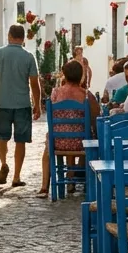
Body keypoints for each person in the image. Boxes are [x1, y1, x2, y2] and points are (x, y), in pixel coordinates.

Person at [0, 23, 41, 188]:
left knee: (1, 137)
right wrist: (37, 105)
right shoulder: (29, 57)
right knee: (20, 140)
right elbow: (34, 83)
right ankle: (16, 176)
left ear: (9, 36)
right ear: (23, 39)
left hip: (2, 103)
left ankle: (3, 163)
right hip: (23, 104)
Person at [39, 59, 102, 197]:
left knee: (47, 150)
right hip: (81, 143)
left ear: (64, 75)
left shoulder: (55, 93)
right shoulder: (86, 95)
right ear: (81, 76)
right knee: (87, 137)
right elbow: (96, 117)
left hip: (58, 142)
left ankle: (44, 186)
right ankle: (74, 179)